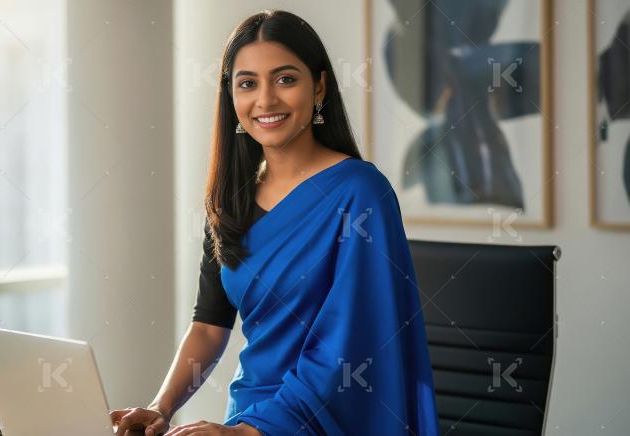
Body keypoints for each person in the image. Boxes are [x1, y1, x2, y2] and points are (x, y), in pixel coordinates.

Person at [111, 9, 439, 436]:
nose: (265, 100)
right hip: (249, 415)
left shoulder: (360, 193)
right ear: (231, 95)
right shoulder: (231, 200)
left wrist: (250, 432)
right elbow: (209, 326)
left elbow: (349, 348)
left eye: (286, 79)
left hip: (324, 421)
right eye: (247, 83)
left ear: (318, 86)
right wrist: (162, 407)